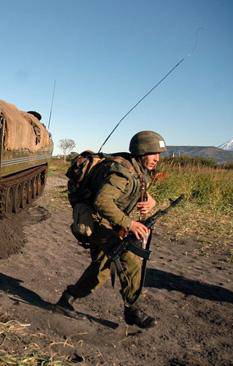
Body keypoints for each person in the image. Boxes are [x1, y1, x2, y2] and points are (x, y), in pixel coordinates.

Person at [56, 131, 167, 328]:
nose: (156, 159)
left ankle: (68, 299)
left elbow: (137, 188)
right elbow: (102, 201)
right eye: (152, 154)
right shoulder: (121, 172)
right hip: (97, 221)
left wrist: (150, 200)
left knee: (102, 268)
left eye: (158, 154)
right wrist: (130, 224)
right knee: (129, 259)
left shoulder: (137, 170)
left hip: (110, 222)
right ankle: (132, 310)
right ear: (141, 153)